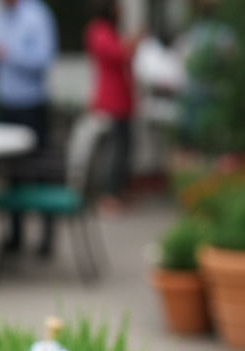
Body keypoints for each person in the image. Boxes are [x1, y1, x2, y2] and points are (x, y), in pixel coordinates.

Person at [0, 0, 59, 253]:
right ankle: (15, 235)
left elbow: (44, 59)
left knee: (40, 170)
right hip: (4, 103)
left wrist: (7, 53)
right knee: (10, 172)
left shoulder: (37, 15)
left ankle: (46, 238)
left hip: (32, 104)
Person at [83, 1, 142, 210]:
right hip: (111, 101)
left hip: (122, 100)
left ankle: (118, 191)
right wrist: (133, 43)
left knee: (125, 148)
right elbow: (119, 55)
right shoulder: (98, 30)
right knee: (114, 150)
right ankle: (108, 194)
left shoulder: (110, 30)